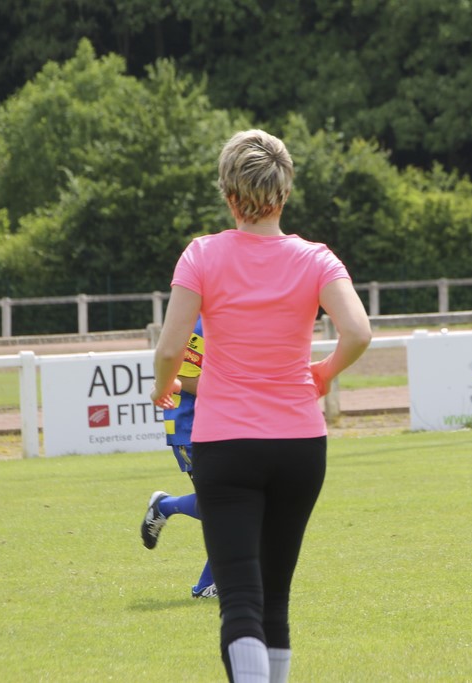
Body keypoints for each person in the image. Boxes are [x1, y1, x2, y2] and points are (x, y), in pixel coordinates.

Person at [150, 129, 372, 683]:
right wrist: (323, 374)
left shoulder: (202, 254)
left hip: (226, 444)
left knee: (241, 602)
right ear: (285, 191)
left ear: (229, 194)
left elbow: (171, 348)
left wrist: (162, 387)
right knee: (276, 601)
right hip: (301, 445)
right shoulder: (317, 259)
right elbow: (358, 332)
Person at [140, 317, 217, 598]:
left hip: (226, 425)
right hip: (192, 428)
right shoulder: (199, 326)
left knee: (234, 504)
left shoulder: (236, 315)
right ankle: (209, 584)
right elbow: (183, 378)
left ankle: (165, 506)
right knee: (228, 505)